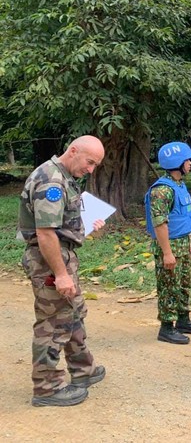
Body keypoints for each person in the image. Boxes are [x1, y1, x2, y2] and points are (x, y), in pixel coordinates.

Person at [18, 135, 108, 407]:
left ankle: (82, 369)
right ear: (73, 151)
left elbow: (59, 223)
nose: (91, 170)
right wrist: (60, 274)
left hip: (62, 255)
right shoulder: (51, 181)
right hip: (49, 260)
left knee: (74, 313)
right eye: (90, 162)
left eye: (96, 165)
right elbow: (45, 234)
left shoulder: (64, 177)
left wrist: (84, 224)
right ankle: (46, 388)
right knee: (53, 322)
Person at [144, 141, 191, 345]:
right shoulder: (162, 190)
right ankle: (166, 327)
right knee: (169, 287)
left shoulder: (179, 184)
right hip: (169, 247)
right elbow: (160, 223)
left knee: (183, 285)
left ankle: (182, 320)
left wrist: (188, 241)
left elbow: (182, 216)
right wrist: (167, 253)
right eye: (187, 160)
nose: (190, 163)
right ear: (177, 162)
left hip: (181, 244)